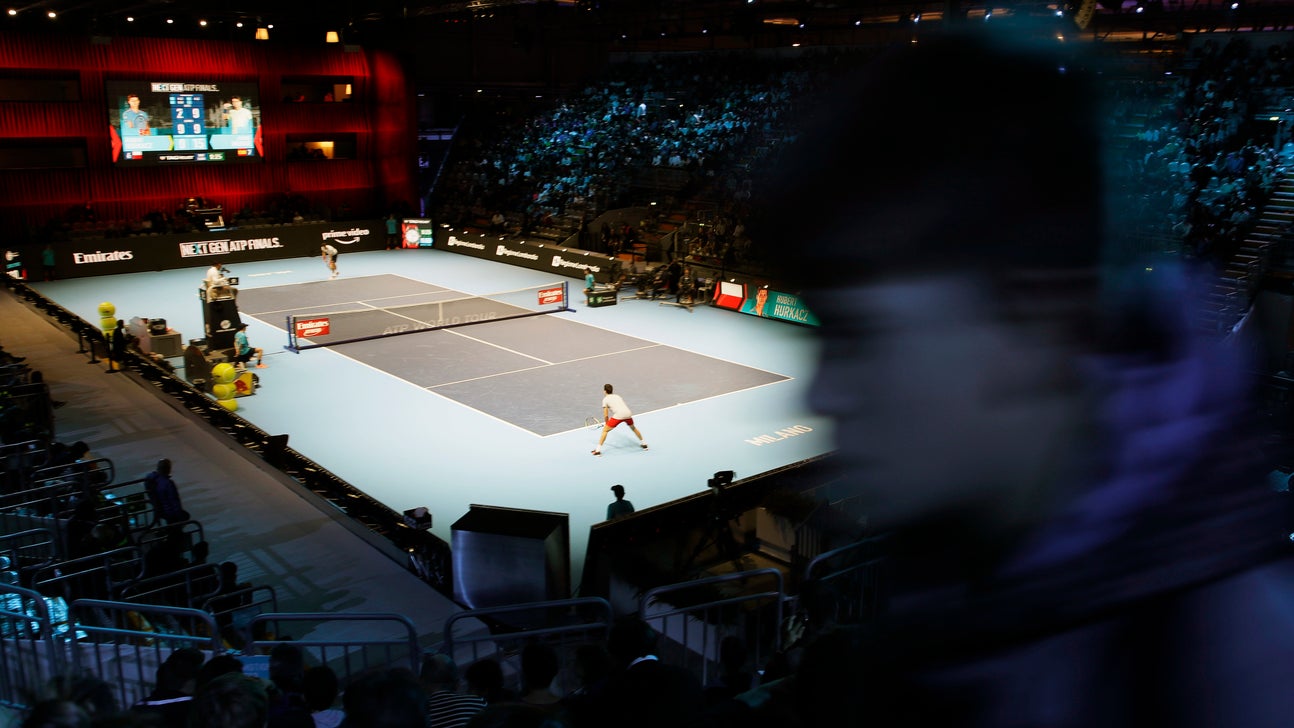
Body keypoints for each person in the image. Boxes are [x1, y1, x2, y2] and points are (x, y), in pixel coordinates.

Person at [746, 26, 1294, 728]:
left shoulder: (1235, 681)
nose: (823, 393)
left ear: (1041, 324)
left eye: (862, 335)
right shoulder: (972, 585)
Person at [592, 383, 647, 456]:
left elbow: (606, 414)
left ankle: (598, 450)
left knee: (605, 430)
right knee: (633, 428)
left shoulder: (605, 400)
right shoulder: (617, 396)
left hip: (619, 415)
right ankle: (644, 444)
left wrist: (606, 423)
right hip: (628, 413)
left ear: (604, 391)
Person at [144, 458, 189, 524]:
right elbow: (174, 501)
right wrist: (179, 514)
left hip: (158, 509)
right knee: (185, 516)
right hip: (169, 511)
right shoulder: (168, 483)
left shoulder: (151, 478)